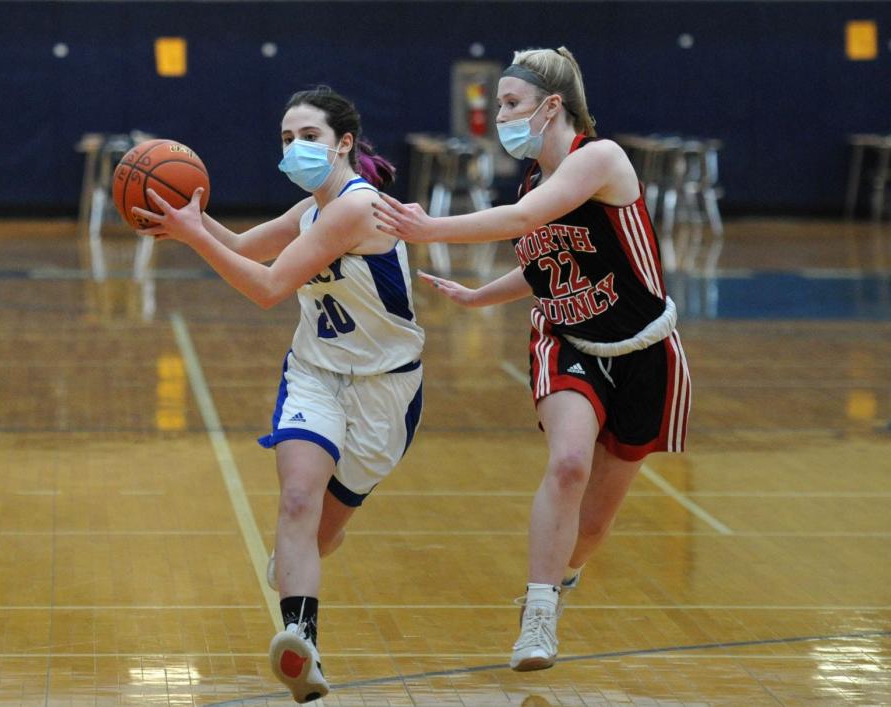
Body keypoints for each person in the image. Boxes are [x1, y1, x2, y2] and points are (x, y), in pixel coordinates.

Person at [374, 47, 690, 671]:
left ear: (552, 107)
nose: (500, 115)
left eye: (511, 103)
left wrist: (428, 229)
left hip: (645, 353)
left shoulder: (599, 158)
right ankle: (539, 614)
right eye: (499, 104)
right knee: (568, 463)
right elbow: (541, 264)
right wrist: (479, 295)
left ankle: (559, 580)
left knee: (593, 528)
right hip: (565, 340)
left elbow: (522, 220)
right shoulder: (532, 181)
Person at [132, 86, 425, 703]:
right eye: (287, 139)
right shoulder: (309, 210)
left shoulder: (354, 207)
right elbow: (242, 248)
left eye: (309, 136)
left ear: (344, 142)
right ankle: (302, 642)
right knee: (297, 500)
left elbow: (266, 289)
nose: (295, 148)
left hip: (385, 391)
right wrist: (184, 212)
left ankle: (301, 566)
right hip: (315, 374)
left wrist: (192, 236)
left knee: (320, 532)